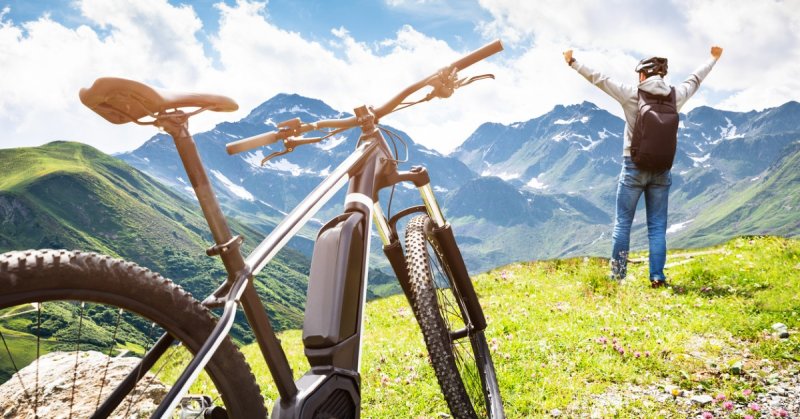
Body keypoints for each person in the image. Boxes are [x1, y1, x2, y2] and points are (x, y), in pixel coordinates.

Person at [563, 46, 723, 287]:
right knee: (657, 226)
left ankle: (618, 277)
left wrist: (573, 62)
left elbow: (600, 80)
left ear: (643, 75)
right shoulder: (675, 95)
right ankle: (657, 277)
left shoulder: (632, 94)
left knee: (623, 223)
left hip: (633, 166)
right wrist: (713, 58)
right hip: (661, 169)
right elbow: (695, 79)